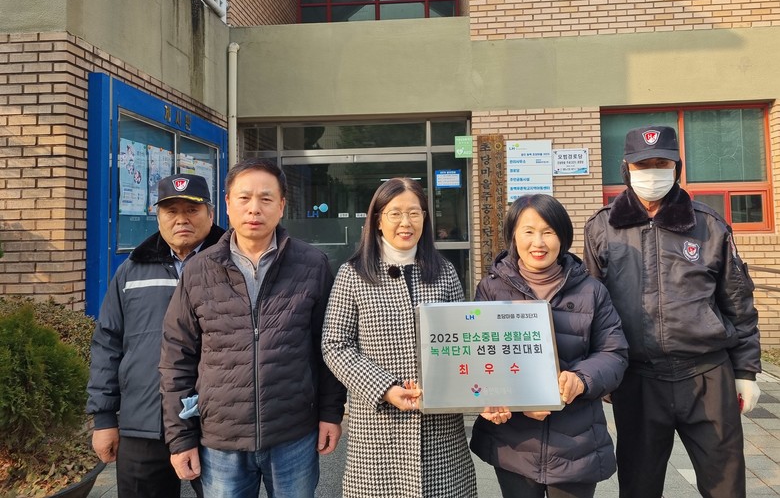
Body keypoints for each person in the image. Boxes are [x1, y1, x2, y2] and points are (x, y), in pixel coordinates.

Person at [583, 125, 762, 498]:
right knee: (639, 486)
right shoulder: (603, 227)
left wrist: (745, 370)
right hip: (638, 379)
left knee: (725, 485)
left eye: (661, 164)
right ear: (626, 169)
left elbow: (737, 301)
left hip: (707, 374)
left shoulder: (708, 225)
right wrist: (601, 369)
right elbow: (592, 307)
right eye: (643, 165)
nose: (652, 173)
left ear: (676, 168)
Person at [159, 158, 346, 498]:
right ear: (228, 204)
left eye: (266, 198)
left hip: (293, 432)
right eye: (244, 198)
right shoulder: (199, 270)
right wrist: (180, 437)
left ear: (282, 205)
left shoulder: (312, 264)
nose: (254, 208)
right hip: (220, 439)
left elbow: (328, 347)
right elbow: (176, 359)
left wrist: (330, 413)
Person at [322, 177, 478, 498]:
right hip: (378, 432)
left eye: (414, 213)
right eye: (395, 213)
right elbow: (335, 345)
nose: (405, 223)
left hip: (441, 434)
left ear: (425, 219)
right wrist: (385, 388)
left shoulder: (444, 272)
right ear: (378, 220)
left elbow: (463, 343)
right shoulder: (353, 274)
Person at [470, 194, 628, 498]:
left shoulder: (592, 291)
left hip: (576, 443)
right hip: (514, 444)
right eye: (528, 231)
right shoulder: (491, 289)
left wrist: (580, 380)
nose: (538, 242)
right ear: (513, 236)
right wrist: (501, 399)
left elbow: (614, 353)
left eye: (548, 231)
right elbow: (481, 356)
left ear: (563, 236)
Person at [87, 173, 224, 498]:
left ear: (211, 213)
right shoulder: (132, 270)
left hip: (217, 423)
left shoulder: (233, 264)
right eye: (171, 211)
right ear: (158, 216)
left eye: (192, 210)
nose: (181, 220)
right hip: (145, 421)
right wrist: (104, 418)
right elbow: (108, 342)